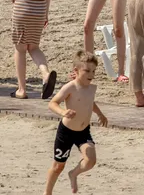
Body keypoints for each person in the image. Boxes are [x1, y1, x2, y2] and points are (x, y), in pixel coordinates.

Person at [45, 51, 108, 195]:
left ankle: (73, 174)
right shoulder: (70, 87)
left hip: (83, 131)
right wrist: (63, 112)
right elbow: (52, 103)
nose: (91, 74)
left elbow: (90, 102)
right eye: (86, 71)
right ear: (76, 70)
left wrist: (99, 113)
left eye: (93, 71)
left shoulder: (92, 88)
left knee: (91, 160)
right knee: (58, 166)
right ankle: (47, 193)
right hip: (66, 132)